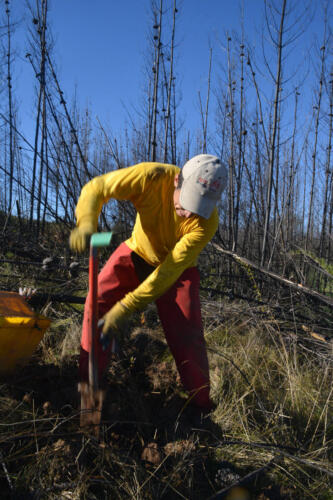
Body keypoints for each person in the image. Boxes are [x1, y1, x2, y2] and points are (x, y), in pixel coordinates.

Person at [69, 154, 227, 415]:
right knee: (94, 304)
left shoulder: (207, 223)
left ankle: (201, 408)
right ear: (177, 180)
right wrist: (87, 221)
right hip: (137, 252)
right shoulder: (151, 177)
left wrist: (125, 307)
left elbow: (167, 272)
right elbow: (97, 188)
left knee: (187, 337)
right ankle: (89, 386)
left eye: (198, 208)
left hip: (177, 271)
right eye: (186, 203)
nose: (188, 213)